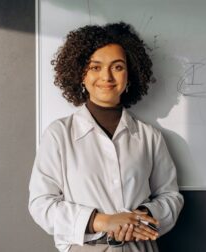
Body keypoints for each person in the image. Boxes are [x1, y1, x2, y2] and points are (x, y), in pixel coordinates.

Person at [28, 22, 184, 252]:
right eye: (95, 67)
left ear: (130, 75)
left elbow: (170, 196)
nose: (107, 76)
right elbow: (41, 204)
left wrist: (140, 217)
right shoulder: (59, 134)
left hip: (138, 247)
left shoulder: (149, 137)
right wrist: (102, 221)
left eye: (117, 67)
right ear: (80, 74)